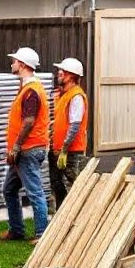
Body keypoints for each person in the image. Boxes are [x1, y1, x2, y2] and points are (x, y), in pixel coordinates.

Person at [0, 47, 51, 242]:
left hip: (27, 150)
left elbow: (28, 121)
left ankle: (41, 233)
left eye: (14, 61)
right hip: (25, 150)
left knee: (34, 191)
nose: (12, 63)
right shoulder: (28, 89)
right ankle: (16, 230)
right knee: (9, 189)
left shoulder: (31, 91)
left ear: (22, 64)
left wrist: (16, 147)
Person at [49, 57, 89, 209]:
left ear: (71, 76)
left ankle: (81, 212)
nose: (59, 73)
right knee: (56, 183)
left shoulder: (76, 97)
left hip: (71, 151)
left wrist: (64, 149)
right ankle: (62, 213)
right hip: (58, 149)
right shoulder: (63, 95)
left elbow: (74, 125)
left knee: (76, 184)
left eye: (62, 71)